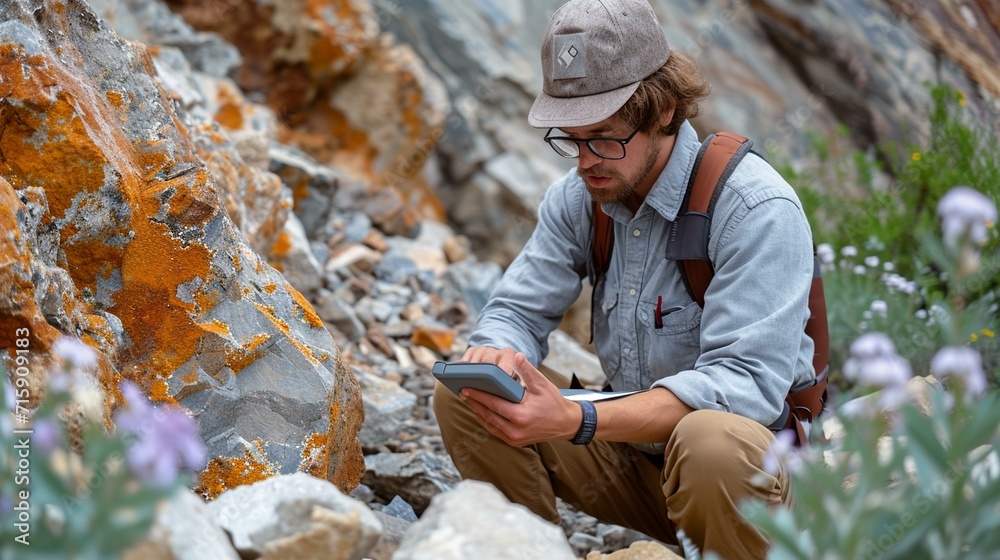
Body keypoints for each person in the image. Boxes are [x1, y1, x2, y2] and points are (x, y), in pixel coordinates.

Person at [432, 0, 816, 557]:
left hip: (751, 492)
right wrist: (498, 355)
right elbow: (516, 310)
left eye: (604, 136)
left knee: (708, 440)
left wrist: (575, 417)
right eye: (571, 138)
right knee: (471, 395)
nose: (586, 161)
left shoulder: (755, 208)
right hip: (636, 468)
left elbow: (743, 389)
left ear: (663, 109)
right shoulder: (580, 197)